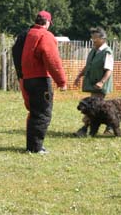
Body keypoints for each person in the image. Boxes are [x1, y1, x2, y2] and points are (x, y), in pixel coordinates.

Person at [21, 10, 67, 154]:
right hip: (40, 80)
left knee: (34, 113)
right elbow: (52, 60)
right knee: (43, 114)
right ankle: (36, 147)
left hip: (27, 78)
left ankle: (32, 146)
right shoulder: (45, 36)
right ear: (47, 22)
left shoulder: (27, 35)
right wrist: (61, 81)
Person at [73, 27, 114, 137]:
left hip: (100, 85)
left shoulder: (107, 52)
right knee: (98, 109)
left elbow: (109, 69)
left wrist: (102, 82)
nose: (93, 40)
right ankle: (109, 127)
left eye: (95, 38)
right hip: (93, 84)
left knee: (93, 108)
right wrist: (79, 76)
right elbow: (88, 66)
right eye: (92, 38)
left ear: (103, 39)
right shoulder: (94, 50)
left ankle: (85, 129)